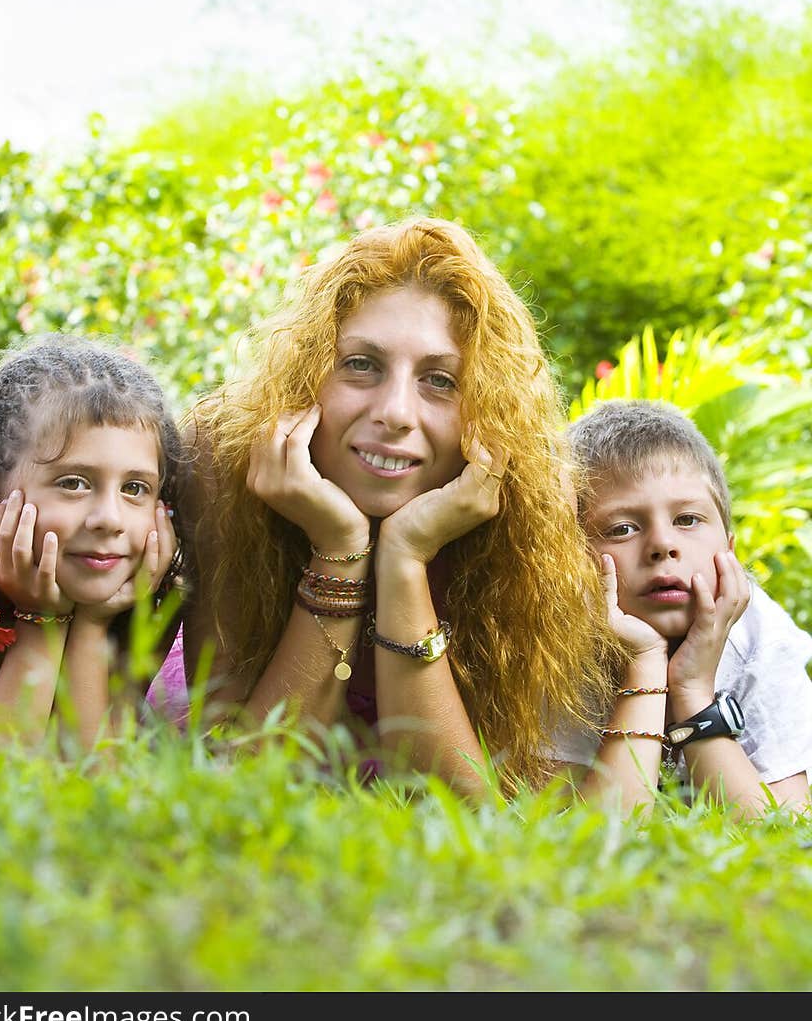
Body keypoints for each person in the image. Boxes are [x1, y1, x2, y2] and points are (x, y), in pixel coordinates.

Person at [181, 216, 623, 797]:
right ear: (305, 375)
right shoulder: (224, 465)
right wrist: (339, 551)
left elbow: (469, 813)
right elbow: (241, 786)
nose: (395, 412)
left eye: (440, 381)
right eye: (360, 365)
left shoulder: (530, 508)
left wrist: (405, 557)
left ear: (486, 408)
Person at [0, 334, 185, 754]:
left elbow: (94, 788)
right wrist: (41, 624)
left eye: (136, 488)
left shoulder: (151, 603)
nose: (109, 519)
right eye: (73, 483)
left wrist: (91, 624)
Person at [563, 398, 812, 816]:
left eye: (687, 520)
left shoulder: (760, 639)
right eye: (622, 528)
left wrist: (693, 692)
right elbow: (585, 838)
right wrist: (644, 662)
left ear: (729, 553)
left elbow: (783, 834)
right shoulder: (556, 646)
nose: (663, 544)